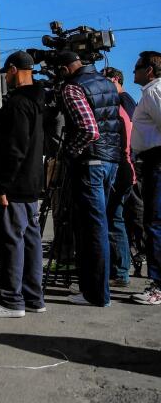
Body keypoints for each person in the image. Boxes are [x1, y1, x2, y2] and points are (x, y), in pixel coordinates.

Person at [0, 51, 46, 317]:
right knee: (30, 241)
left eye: (6, 73)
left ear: (14, 69)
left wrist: (1, 186)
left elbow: (13, 147)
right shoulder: (36, 100)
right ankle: (33, 297)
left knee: (9, 243)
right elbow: (5, 127)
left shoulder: (18, 103)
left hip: (13, 185)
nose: (5, 78)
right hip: (30, 183)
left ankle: (10, 301)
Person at [55, 51, 120, 307]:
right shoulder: (106, 82)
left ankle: (96, 294)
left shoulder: (73, 87)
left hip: (91, 161)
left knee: (92, 229)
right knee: (100, 224)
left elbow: (89, 130)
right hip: (110, 159)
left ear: (64, 68)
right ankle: (97, 290)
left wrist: (70, 151)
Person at [103, 66, 145, 275]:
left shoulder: (124, 102)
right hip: (127, 165)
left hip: (126, 165)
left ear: (116, 79)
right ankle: (124, 262)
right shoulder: (122, 101)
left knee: (123, 216)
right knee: (120, 216)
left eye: (106, 80)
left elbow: (128, 137)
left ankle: (125, 263)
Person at [130, 51, 161, 305]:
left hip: (157, 161)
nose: (134, 72)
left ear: (149, 70)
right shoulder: (151, 92)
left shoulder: (153, 92)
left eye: (137, 67)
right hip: (152, 161)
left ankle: (158, 285)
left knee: (155, 223)